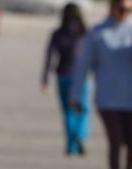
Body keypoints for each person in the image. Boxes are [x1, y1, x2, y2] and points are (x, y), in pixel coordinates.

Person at [71, 0, 132, 169]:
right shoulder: (98, 33)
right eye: (122, 8)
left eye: (130, 10)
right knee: (116, 142)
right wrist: (75, 95)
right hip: (107, 98)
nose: (125, 13)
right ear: (112, 7)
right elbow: (83, 66)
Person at [41, 3, 90, 157]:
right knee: (82, 109)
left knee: (68, 111)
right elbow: (93, 57)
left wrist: (45, 79)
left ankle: (71, 145)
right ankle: (80, 136)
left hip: (63, 76)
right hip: (82, 77)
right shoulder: (84, 33)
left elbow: (50, 58)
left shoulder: (58, 33)